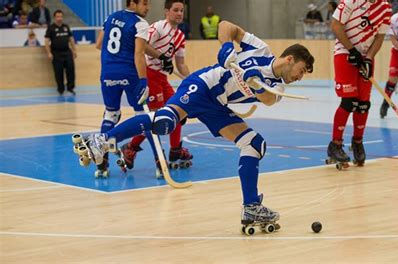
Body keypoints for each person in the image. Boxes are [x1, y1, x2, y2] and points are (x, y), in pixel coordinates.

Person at [76, 20, 314, 228]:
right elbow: (226, 26)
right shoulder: (261, 49)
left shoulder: (277, 85)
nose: (299, 78)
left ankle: (251, 207)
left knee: (254, 144)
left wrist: (256, 85)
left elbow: (270, 100)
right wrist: (227, 47)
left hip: (217, 105)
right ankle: (101, 140)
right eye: (301, 71)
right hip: (203, 85)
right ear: (290, 59)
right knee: (166, 121)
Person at [120, 0, 193, 174]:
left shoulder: (181, 36)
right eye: (175, 10)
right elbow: (142, 46)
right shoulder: (158, 28)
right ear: (166, 12)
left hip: (162, 78)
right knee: (153, 118)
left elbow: (180, 64)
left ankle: (175, 149)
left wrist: (193, 82)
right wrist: (161, 58)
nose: (179, 13)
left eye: (182, 10)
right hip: (149, 74)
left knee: (178, 111)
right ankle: (130, 147)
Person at [327, 0, 391, 167]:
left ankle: (357, 142)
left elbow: (379, 37)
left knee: (363, 104)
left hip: (365, 58)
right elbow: (335, 25)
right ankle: (335, 144)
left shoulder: (385, 7)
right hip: (345, 53)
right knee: (349, 102)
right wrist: (352, 50)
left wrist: (369, 58)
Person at [93, 0, 151, 177]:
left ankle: (102, 162)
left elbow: (98, 44)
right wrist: (143, 80)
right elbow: (139, 53)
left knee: (111, 114)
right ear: (132, 3)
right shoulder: (140, 23)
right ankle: (159, 161)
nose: (147, 7)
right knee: (144, 116)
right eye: (144, 3)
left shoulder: (111, 17)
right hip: (129, 73)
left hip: (108, 72)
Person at [45, 9, 77, 96]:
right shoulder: (51, 28)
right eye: (58, 16)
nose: (59, 18)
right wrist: (49, 53)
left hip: (67, 52)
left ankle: (70, 88)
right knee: (58, 72)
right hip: (56, 53)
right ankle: (61, 89)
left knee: (70, 71)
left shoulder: (66, 27)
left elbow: (71, 39)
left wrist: (74, 50)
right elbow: (46, 41)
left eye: (61, 16)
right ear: (55, 17)